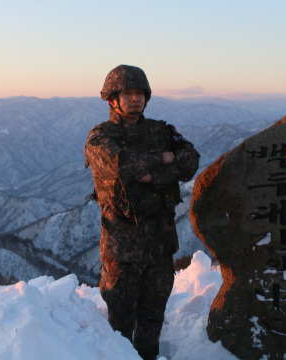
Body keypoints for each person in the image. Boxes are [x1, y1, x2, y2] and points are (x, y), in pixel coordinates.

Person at [84, 64, 200, 360]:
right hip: (122, 251)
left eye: (139, 93)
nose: (135, 98)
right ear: (113, 99)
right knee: (118, 330)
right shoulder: (100, 136)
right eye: (128, 93)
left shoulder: (161, 131)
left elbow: (189, 162)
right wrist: (161, 158)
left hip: (160, 248)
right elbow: (120, 164)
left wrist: (153, 175)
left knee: (151, 324)